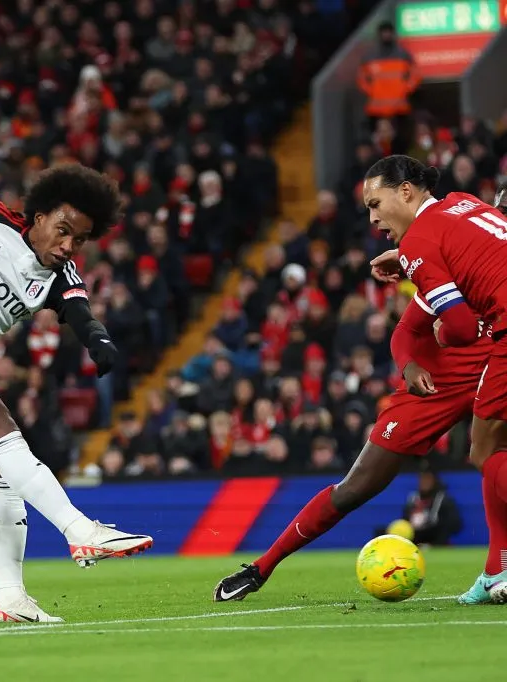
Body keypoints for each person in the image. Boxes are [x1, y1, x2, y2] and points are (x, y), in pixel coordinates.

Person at [0, 167, 153, 576]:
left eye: (81, 239)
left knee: (1, 469)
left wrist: (98, 342)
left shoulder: (60, 278)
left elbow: (82, 315)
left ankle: (10, 595)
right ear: (39, 217)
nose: (69, 245)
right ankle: (79, 529)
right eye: (63, 230)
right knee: (1, 425)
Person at [214, 282, 491, 601]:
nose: (380, 228)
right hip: (430, 392)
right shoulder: (448, 277)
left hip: (493, 377)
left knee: (490, 457)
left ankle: (497, 570)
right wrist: (408, 365)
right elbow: (404, 330)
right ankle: (261, 568)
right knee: (352, 490)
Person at [365, 159, 507, 604]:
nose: (372, 217)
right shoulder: (464, 204)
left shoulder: (421, 241)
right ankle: (495, 572)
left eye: (375, 203)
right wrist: (410, 262)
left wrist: (442, 331)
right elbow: (474, 250)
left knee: (483, 450)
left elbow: (463, 329)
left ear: (405, 192)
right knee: (497, 448)